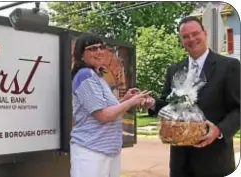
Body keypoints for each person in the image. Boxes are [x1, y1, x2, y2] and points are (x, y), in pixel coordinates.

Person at [143, 16, 240, 177]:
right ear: (181, 40)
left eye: (195, 34)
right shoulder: (174, 70)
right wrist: (152, 103)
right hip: (180, 162)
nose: (191, 39)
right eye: (186, 36)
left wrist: (219, 130)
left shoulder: (229, 66)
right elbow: (168, 106)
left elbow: (238, 109)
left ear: (205, 33)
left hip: (214, 161)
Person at [70, 34, 150, 177]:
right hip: (91, 151)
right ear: (81, 54)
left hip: (107, 151)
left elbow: (105, 110)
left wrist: (125, 99)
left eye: (101, 47)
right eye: (93, 48)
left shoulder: (97, 76)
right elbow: (103, 115)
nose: (99, 51)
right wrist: (131, 102)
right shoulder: (85, 75)